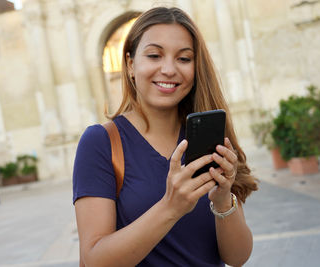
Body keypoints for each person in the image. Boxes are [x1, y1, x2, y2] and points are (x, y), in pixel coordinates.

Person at [73, 7, 258, 266]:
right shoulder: (101, 142)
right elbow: (93, 260)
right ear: (130, 65)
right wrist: (171, 207)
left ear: (196, 68)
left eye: (184, 59)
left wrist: (222, 197)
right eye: (154, 55)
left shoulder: (206, 139)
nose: (169, 69)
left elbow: (237, 257)